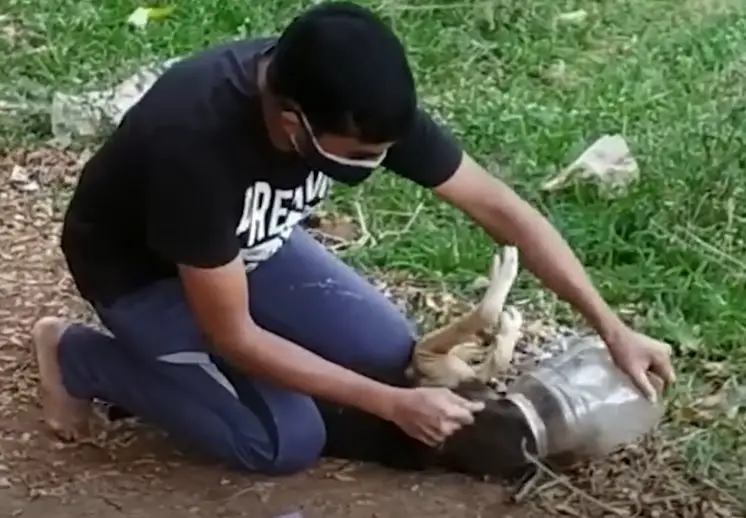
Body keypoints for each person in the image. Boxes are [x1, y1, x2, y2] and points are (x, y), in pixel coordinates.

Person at [33, 1, 676, 475]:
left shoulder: (354, 98)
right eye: (362, 153)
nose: (377, 161)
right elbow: (234, 334)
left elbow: (503, 210)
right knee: (281, 441)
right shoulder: (196, 146)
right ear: (291, 122)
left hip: (251, 249)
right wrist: (392, 405)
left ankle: (215, 381)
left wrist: (612, 329)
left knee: (383, 348)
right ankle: (78, 357)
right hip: (145, 276)